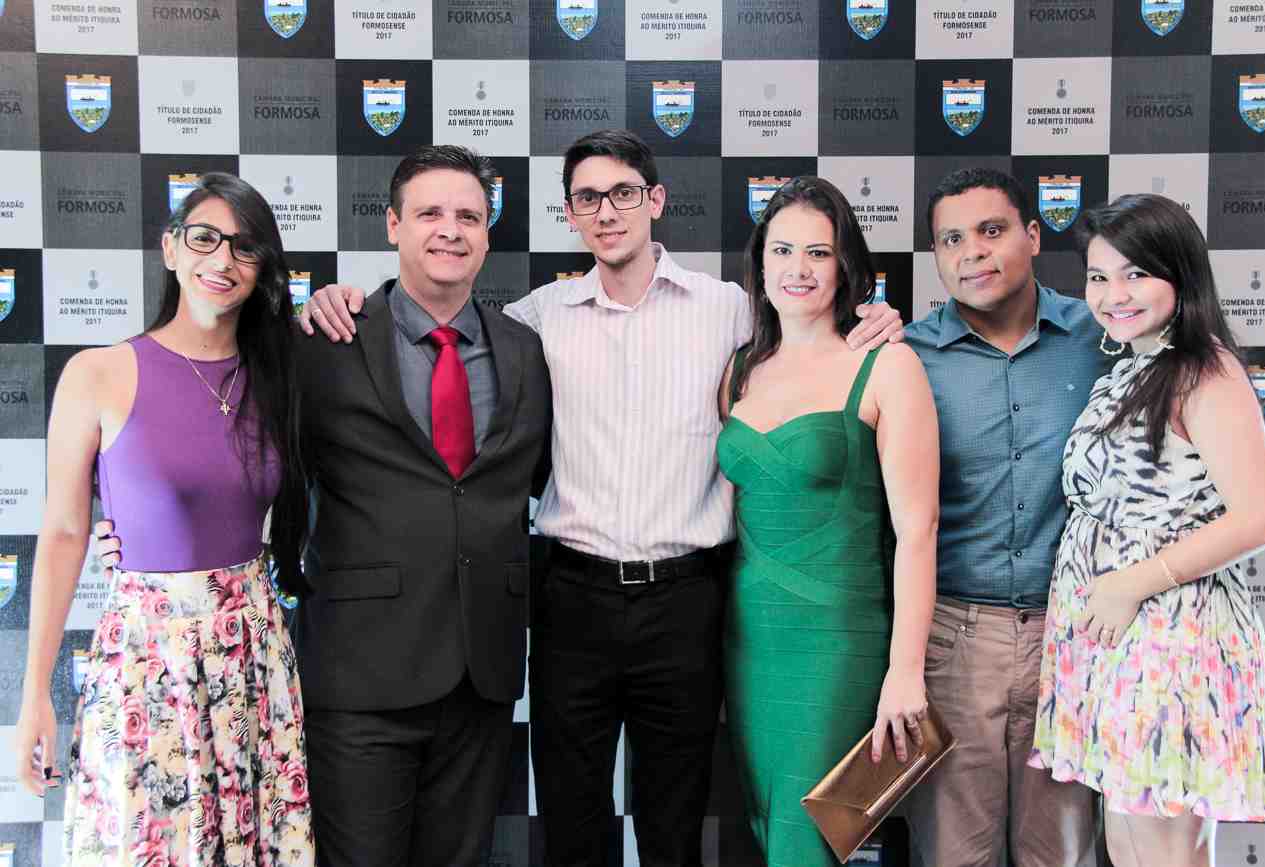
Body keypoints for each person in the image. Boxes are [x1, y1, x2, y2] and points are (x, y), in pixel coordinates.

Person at [300, 129, 905, 866]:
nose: (607, 211)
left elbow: (812, 335)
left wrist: (873, 318)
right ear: (570, 214)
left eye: (623, 192)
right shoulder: (534, 320)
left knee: (674, 827)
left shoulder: (729, 310)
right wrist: (338, 297)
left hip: (687, 601)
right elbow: (433, 314)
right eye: (588, 198)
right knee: (572, 827)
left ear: (656, 200)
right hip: (570, 601)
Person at [96, 146, 553, 866]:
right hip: (357, 675)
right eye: (430, 213)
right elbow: (218, 439)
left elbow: (547, 479)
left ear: (488, 234)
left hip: (484, 677)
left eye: (469, 216)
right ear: (393, 225)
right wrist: (143, 525)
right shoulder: (320, 340)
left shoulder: (525, 350)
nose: (450, 229)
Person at [14, 172, 314, 865]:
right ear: (171, 248)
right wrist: (36, 697)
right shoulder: (97, 373)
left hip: (253, 657)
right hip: (148, 661)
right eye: (204, 238)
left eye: (244, 247)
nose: (222, 259)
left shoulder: (281, 375)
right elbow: (64, 534)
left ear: (262, 269)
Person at [1029, 193, 1265, 866]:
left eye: (1135, 274)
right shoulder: (1134, 367)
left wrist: (1131, 583)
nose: (1112, 295)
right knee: (1128, 841)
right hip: (1114, 641)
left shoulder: (1204, 370)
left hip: (1172, 638)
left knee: (1164, 847)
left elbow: (1262, 516)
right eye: (1098, 276)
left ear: (1180, 275)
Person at [716, 176, 938, 865]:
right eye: (782, 250)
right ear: (760, 263)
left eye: (819, 252)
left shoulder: (887, 364)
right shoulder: (739, 369)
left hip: (838, 641)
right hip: (748, 638)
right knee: (765, 822)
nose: (798, 268)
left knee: (807, 835)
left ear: (845, 266)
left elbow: (919, 531)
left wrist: (905, 670)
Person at [900, 168, 1107, 867]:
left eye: (991, 230)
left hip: (1073, 637)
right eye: (951, 239)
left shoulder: (1103, 337)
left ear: (1034, 235)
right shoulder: (904, 356)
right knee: (954, 854)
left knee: (1060, 854)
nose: (973, 253)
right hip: (953, 640)